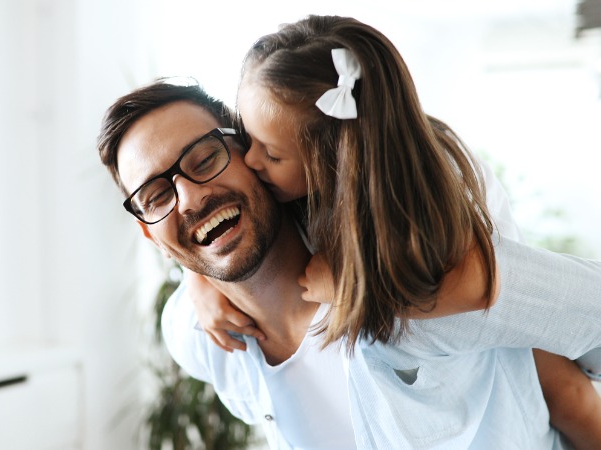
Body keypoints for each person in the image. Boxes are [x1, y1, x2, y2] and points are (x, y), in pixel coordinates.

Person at [185, 14, 601, 448]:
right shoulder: (304, 192)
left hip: (517, 376)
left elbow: (481, 293)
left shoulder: (437, 224)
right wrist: (197, 277)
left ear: (333, 161)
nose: (249, 162)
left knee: (563, 390)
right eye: (246, 139)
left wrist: (355, 287)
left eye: (270, 153)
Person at [97, 79, 584, 448]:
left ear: (255, 155)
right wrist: (194, 275)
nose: (188, 198)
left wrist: (390, 287)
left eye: (204, 159)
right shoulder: (197, 338)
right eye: (156, 194)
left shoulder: (409, 282)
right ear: (149, 234)